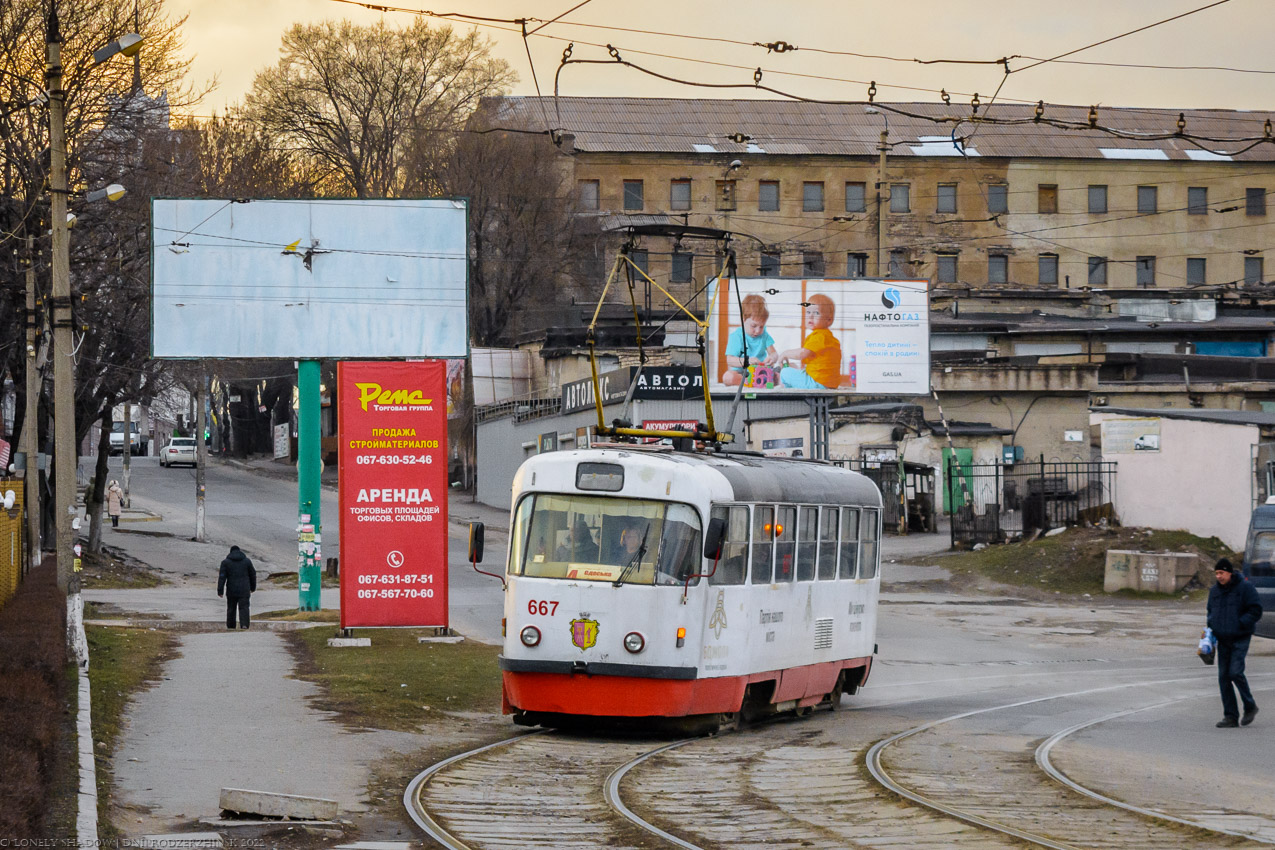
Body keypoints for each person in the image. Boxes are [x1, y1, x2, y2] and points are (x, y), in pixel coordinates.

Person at [1206, 557, 1263, 727]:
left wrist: (1240, 623)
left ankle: (1250, 705)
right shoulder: (1214, 592)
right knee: (1223, 678)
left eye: (1221, 573)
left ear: (1230, 572)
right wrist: (1211, 630)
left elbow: (1256, 610)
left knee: (1235, 673)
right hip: (1223, 639)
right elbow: (1210, 612)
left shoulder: (1245, 588)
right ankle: (1230, 716)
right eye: (1216, 573)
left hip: (1240, 637)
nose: (1219, 576)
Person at [778, 294, 842, 390]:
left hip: (817, 382)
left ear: (829, 320)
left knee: (785, 372)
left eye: (816, 313)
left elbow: (802, 353)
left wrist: (785, 353)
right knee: (797, 370)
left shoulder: (819, 336)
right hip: (830, 384)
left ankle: (788, 393)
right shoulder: (830, 338)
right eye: (808, 312)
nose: (810, 316)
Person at [723, 294, 779, 386]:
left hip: (763, 372)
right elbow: (730, 360)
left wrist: (772, 358)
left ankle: (761, 381)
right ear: (743, 319)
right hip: (743, 373)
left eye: (761, 326)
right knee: (728, 377)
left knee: (785, 371)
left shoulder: (764, 334)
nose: (757, 331)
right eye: (754, 326)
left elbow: (774, 353)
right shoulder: (736, 336)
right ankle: (751, 382)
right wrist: (747, 361)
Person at [217, 545, 257, 630]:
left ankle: (231, 626)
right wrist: (253, 587)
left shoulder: (225, 562)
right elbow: (253, 575)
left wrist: (220, 591)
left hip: (231, 589)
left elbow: (222, 577)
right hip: (244, 589)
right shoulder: (247, 561)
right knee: (244, 607)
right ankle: (244, 625)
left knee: (231, 608)